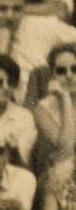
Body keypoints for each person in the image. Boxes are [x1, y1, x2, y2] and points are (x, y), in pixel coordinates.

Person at [33, 43, 76, 172]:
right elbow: (66, 150)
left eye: (74, 69)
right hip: (59, 173)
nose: (69, 75)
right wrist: (66, 99)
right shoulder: (42, 109)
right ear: (52, 75)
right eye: (61, 71)